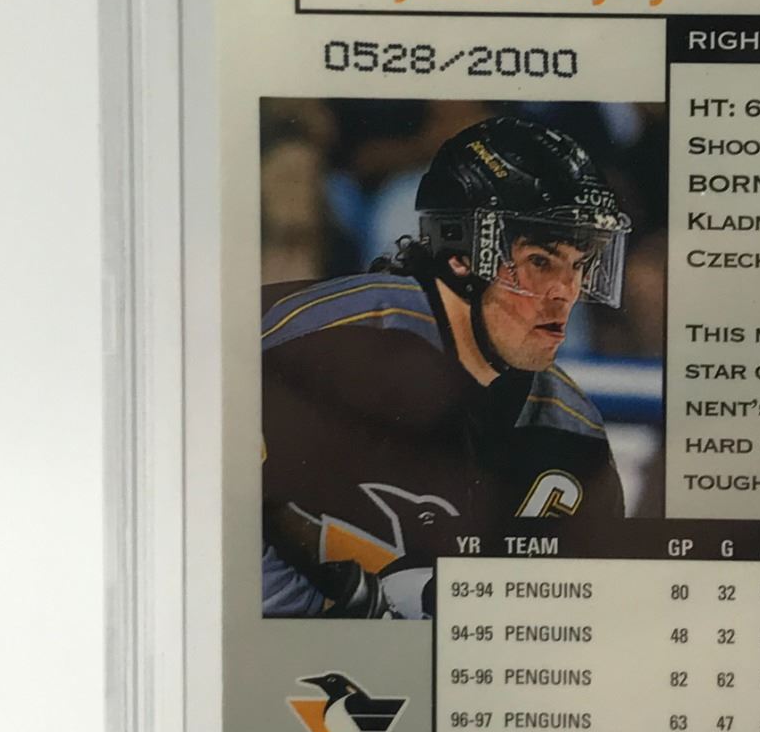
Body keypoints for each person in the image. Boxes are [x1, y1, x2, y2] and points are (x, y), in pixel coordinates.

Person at [260, 114, 632, 617]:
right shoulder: (318, 339)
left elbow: (588, 619)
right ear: (462, 255)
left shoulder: (574, 434)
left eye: (580, 265)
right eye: (541, 262)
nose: (565, 293)